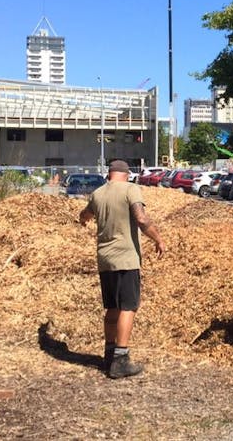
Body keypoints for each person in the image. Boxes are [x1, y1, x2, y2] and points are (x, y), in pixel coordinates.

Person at [79, 159, 165, 379]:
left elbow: (85, 215)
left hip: (105, 259)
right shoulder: (130, 189)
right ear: (126, 175)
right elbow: (141, 218)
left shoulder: (98, 193)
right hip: (126, 258)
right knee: (128, 306)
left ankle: (109, 354)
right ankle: (121, 359)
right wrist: (158, 239)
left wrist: (83, 221)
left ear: (109, 174)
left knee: (112, 307)